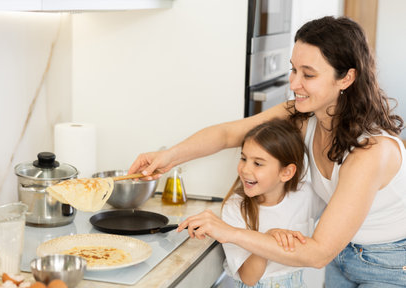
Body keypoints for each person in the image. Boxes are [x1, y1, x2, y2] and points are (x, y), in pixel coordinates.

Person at [129, 16, 406, 287]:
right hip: (344, 256)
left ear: (346, 78)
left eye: (308, 74)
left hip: (389, 264)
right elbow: (228, 134)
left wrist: (229, 232)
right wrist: (167, 157)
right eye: (293, 70)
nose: (294, 83)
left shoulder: (370, 151)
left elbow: (319, 252)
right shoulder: (305, 118)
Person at [220, 118, 325, 287]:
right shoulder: (235, 208)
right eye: (243, 158)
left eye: (258, 163)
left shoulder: (307, 195)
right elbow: (249, 277)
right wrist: (266, 240)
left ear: (286, 172)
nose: (245, 169)